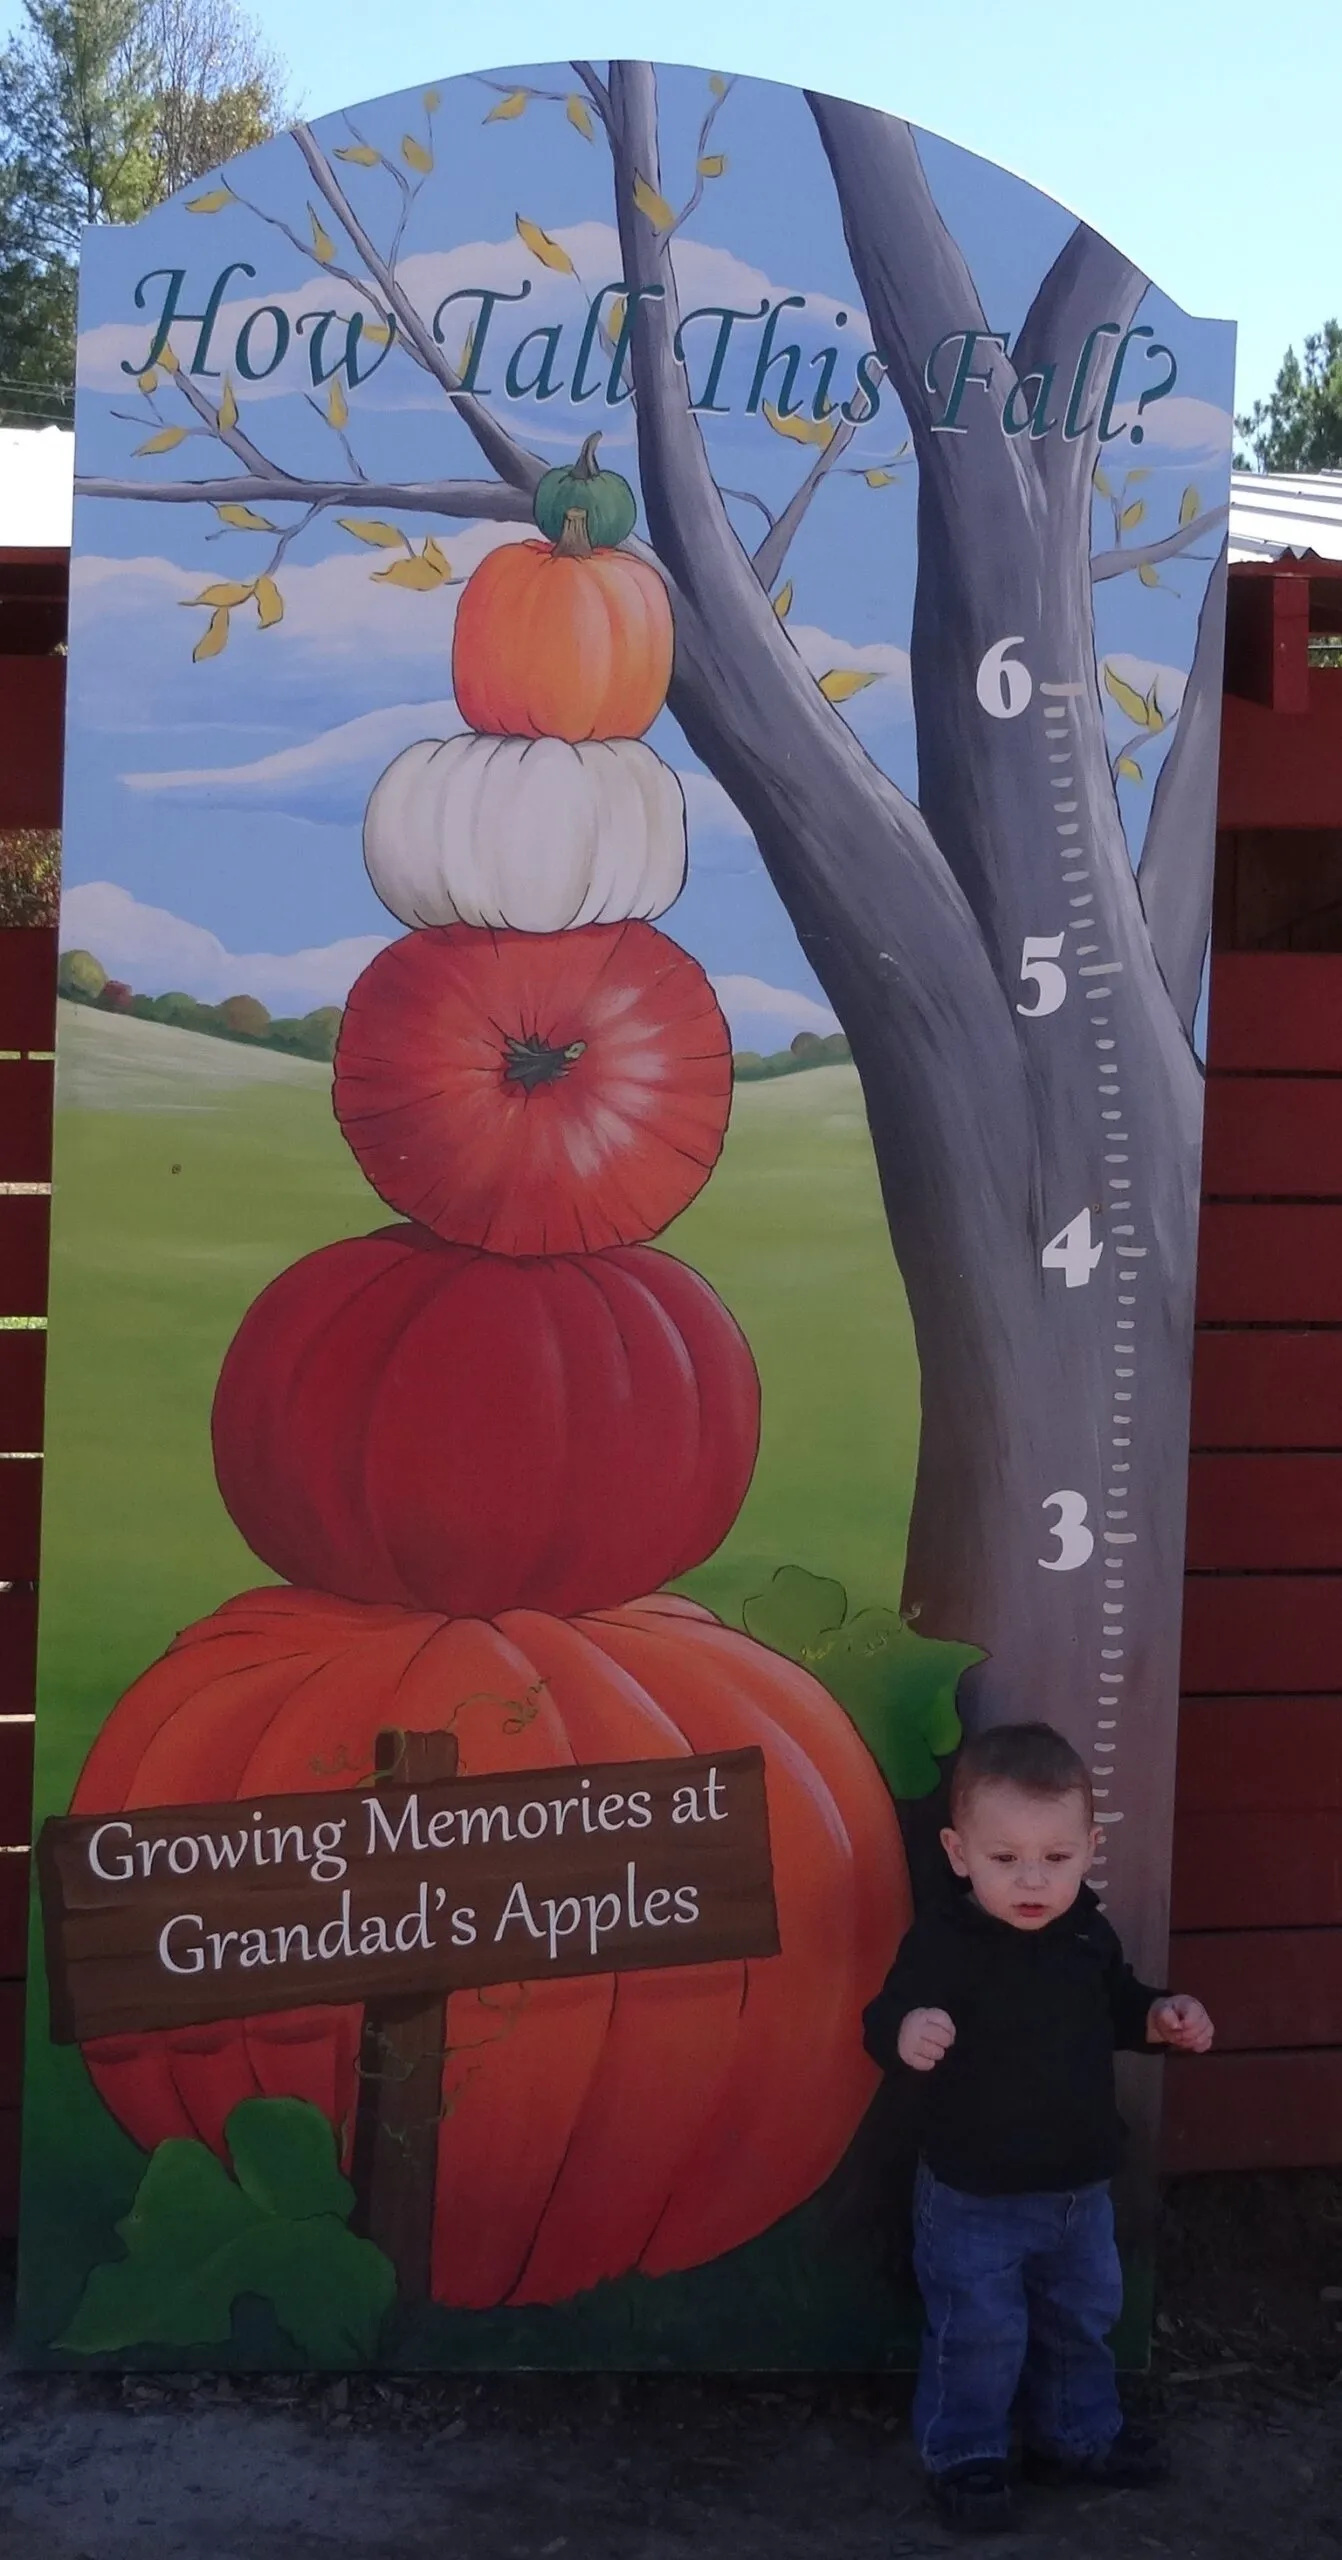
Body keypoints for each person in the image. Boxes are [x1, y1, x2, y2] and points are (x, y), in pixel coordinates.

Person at [862, 1720, 1214, 2536]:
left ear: (1089, 1848)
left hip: (1079, 2188)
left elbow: (1118, 2004)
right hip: (972, 2194)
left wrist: (1159, 2016)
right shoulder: (949, 1941)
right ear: (958, 1853)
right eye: (1005, 1858)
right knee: (978, 2333)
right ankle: (967, 2454)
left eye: (1055, 1859)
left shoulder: (1087, 1934)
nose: (1032, 1880)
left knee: (1081, 2319)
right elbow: (882, 2016)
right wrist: (907, 2030)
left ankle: (1077, 2434)